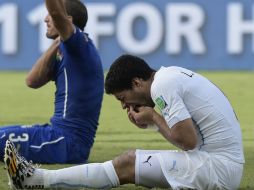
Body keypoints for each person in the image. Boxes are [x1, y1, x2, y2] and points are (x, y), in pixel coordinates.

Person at [4, 54, 244, 189]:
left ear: (137, 83)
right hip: (219, 164)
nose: (125, 106)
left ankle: (37, 181)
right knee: (129, 163)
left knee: (128, 164)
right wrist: (151, 121)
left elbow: (187, 140)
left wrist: (152, 116)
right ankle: (37, 179)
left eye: (123, 98)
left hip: (217, 169)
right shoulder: (168, 76)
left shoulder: (163, 85)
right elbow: (188, 135)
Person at [0, 0, 104, 164]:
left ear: (67, 20)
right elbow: (32, 81)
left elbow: (56, 13)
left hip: (66, 142)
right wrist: (58, 41)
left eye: (50, 15)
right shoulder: (68, 49)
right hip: (59, 137)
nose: (46, 19)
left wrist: (61, 28)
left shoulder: (80, 46)